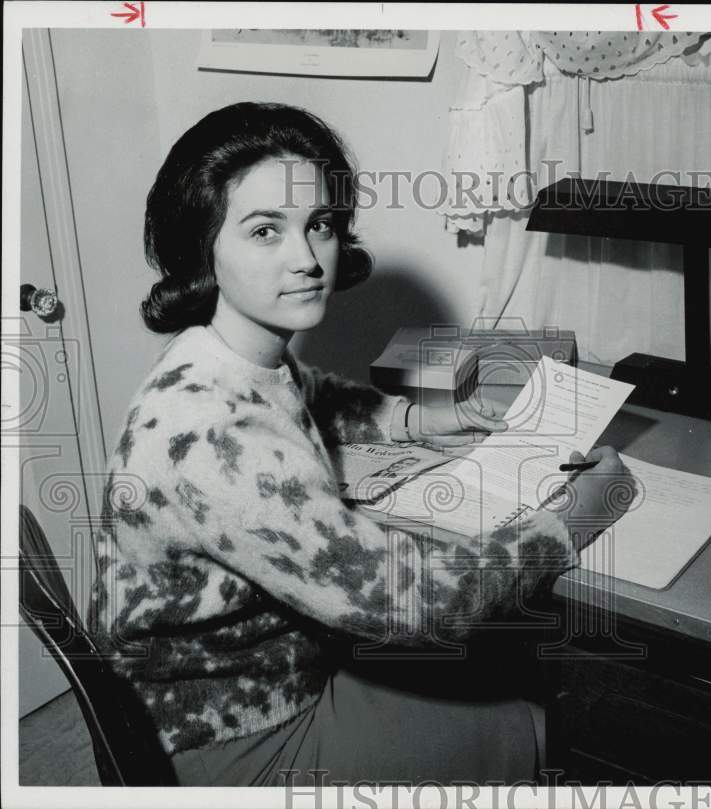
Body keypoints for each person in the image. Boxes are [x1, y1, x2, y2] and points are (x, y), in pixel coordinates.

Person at [87, 101, 634, 787]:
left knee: (504, 658)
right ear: (205, 248)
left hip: (236, 688)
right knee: (539, 714)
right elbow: (427, 606)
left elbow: (305, 392)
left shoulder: (212, 357)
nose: (307, 257)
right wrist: (575, 516)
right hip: (240, 740)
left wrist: (417, 419)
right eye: (265, 231)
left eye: (318, 224)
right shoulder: (213, 437)